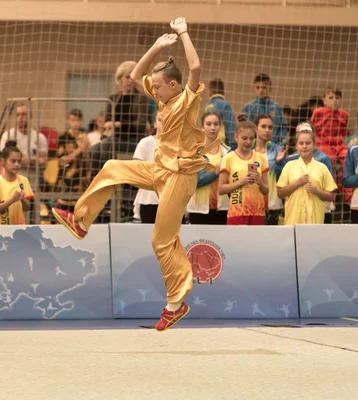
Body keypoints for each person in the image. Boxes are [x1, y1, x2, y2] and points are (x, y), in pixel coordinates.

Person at [52, 17, 216, 332]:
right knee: (113, 166)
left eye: (157, 86)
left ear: (172, 85)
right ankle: (82, 221)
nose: (151, 90)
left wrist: (183, 34)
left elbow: (195, 68)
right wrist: (156, 46)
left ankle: (175, 304)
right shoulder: (163, 99)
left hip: (180, 177)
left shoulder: (186, 99)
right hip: (159, 170)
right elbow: (136, 73)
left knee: (161, 240)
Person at [276, 122, 337, 225]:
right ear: (296, 146)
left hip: (315, 221)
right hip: (293, 220)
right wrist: (297, 183)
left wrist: (316, 191)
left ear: (314, 145)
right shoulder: (289, 166)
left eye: (308, 143)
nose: (304, 146)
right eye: (301, 143)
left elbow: (331, 196)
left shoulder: (322, 168)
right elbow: (280, 193)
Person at [218, 115, 269, 225]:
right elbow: (221, 189)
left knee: (256, 242)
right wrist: (241, 182)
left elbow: (266, 190)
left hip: (258, 212)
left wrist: (259, 181)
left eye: (251, 138)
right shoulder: (228, 158)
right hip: (237, 212)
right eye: (244, 138)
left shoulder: (261, 158)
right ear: (236, 137)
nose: (248, 142)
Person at [187, 111, 230, 225]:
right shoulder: (194, 153)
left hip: (222, 209)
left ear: (220, 127)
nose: (213, 128)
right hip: (198, 209)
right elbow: (194, 182)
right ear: (202, 128)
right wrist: (215, 173)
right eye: (208, 124)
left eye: (216, 124)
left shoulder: (228, 152)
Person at [0, 144, 34, 225]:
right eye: (13, 161)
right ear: (3, 161)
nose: (16, 164)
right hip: (1, 230)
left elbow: (27, 208)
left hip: (20, 229)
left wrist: (22, 199)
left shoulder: (24, 180)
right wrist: (12, 200)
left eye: (19, 161)